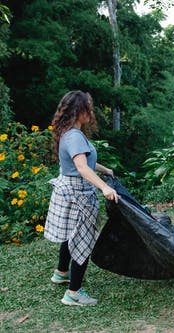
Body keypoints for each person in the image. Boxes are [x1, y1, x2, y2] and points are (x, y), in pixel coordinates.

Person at [44, 90, 118, 306]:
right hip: (78, 194)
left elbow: (84, 164)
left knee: (71, 234)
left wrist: (105, 170)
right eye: (89, 107)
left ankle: (61, 272)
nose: (91, 112)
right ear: (80, 111)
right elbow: (81, 168)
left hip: (70, 190)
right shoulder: (75, 136)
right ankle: (73, 293)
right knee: (82, 240)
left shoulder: (68, 132)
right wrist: (104, 188)